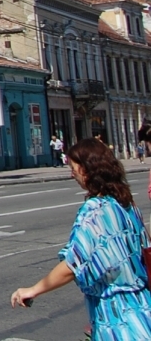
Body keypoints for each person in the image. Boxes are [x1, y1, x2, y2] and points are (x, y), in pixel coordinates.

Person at [11, 137, 151, 338]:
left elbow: (73, 263)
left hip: (118, 317)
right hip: (143, 307)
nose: (72, 174)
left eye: (73, 168)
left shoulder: (94, 210)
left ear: (87, 169)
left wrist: (33, 290)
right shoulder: (127, 204)